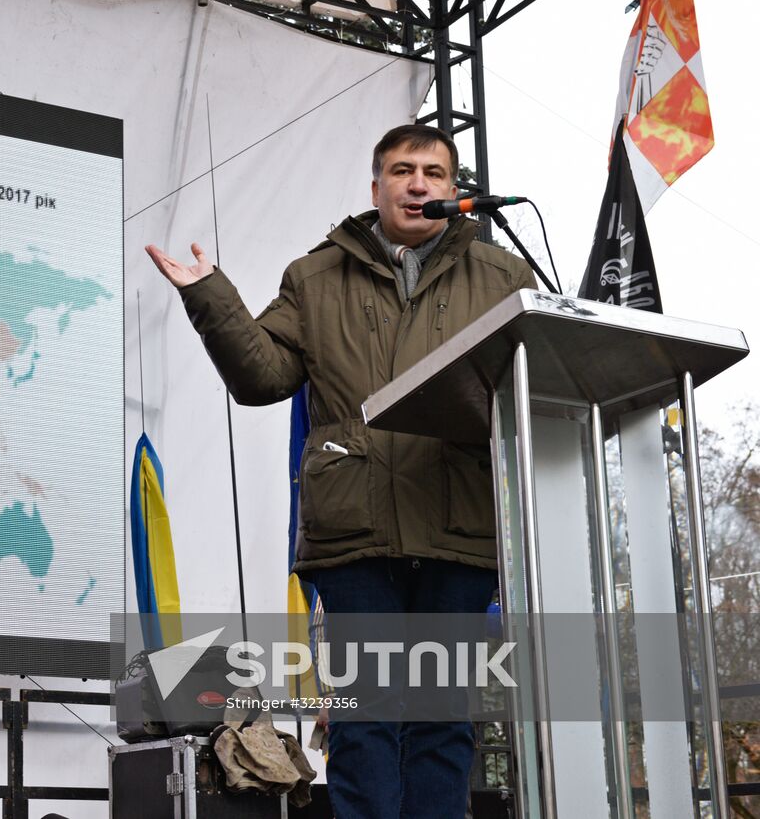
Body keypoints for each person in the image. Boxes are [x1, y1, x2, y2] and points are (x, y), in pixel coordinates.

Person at [146, 124, 535, 818]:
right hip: (356, 533)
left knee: (445, 721)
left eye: (435, 173)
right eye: (403, 170)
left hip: (459, 528)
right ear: (376, 187)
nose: (419, 183)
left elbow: (526, 387)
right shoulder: (316, 275)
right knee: (366, 719)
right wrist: (209, 294)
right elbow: (262, 376)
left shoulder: (503, 276)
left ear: (455, 191)